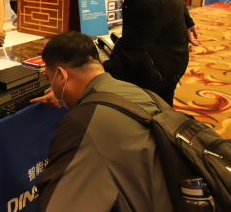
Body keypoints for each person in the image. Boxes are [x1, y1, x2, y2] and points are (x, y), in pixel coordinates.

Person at [38, 0, 200, 107]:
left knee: (156, 107)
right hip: (164, 37)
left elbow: (125, 56)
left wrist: (75, 90)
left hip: (164, 63)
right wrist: (188, 20)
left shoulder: (149, 5)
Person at [33, 32, 173, 212]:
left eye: (48, 78)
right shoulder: (145, 94)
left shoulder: (80, 123)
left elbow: (56, 203)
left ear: (61, 75)